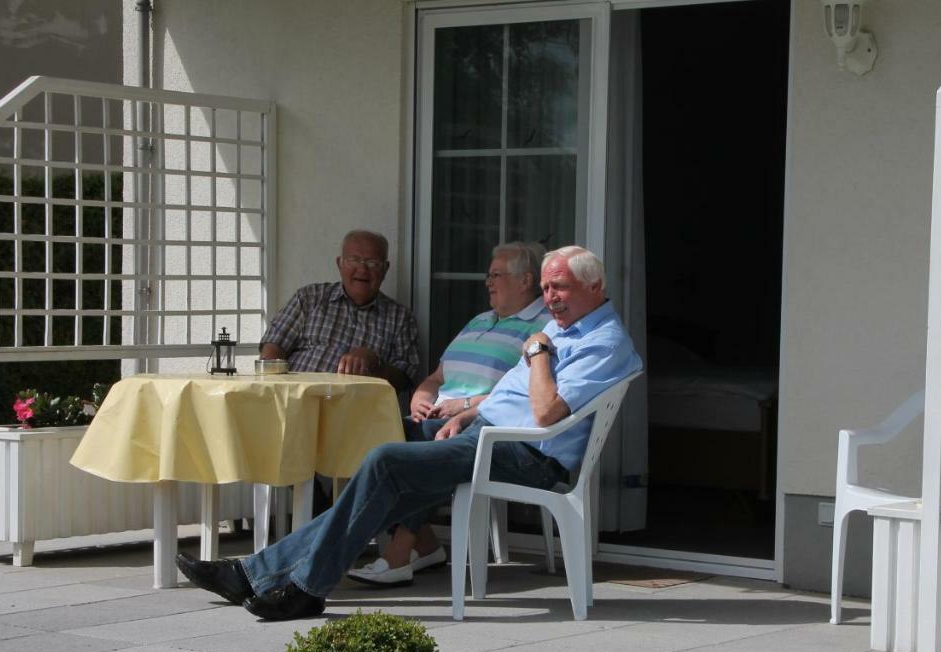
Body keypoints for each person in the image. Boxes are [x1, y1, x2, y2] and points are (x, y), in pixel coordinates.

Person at [176, 246, 641, 621]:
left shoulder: (601, 341)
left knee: (385, 463)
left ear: (594, 286)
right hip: (485, 433)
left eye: (559, 287)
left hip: (528, 454)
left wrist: (539, 351)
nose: (551, 298)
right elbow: (509, 395)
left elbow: (546, 413)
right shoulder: (564, 327)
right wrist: (465, 414)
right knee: (386, 462)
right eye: (546, 287)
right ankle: (258, 572)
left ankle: (305, 587)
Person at [348, 241, 551, 587]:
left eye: (496, 275)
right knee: (365, 438)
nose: (487, 282)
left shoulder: (540, 329)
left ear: (525, 280)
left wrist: (465, 407)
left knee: (413, 450)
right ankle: (424, 543)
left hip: (481, 426)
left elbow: (519, 393)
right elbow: (437, 377)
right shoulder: (478, 321)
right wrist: (419, 399)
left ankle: (398, 553)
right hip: (436, 416)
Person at [259, 229, 420, 391]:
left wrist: (375, 364)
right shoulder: (310, 297)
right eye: (354, 260)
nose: (363, 270)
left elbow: (404, 378)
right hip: (298, 398)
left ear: (385, 269)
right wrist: (276, 388)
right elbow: (274, 344)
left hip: (352, 409)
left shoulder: (400, 318)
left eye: (372, 263)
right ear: (340, 264)